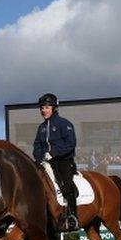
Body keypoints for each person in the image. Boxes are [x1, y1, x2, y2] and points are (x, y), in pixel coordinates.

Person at [32, 93, 79, 231]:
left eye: (46, 107)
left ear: (54, 108)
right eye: (41, 108)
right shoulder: (41, 128)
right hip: (45, 162)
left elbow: (71, 143)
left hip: (63, 161)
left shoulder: (64, 124)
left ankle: (72, 216)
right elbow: (37, 146)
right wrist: (40, 157)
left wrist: (53, 153)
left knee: (66, 183)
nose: (43, 110)